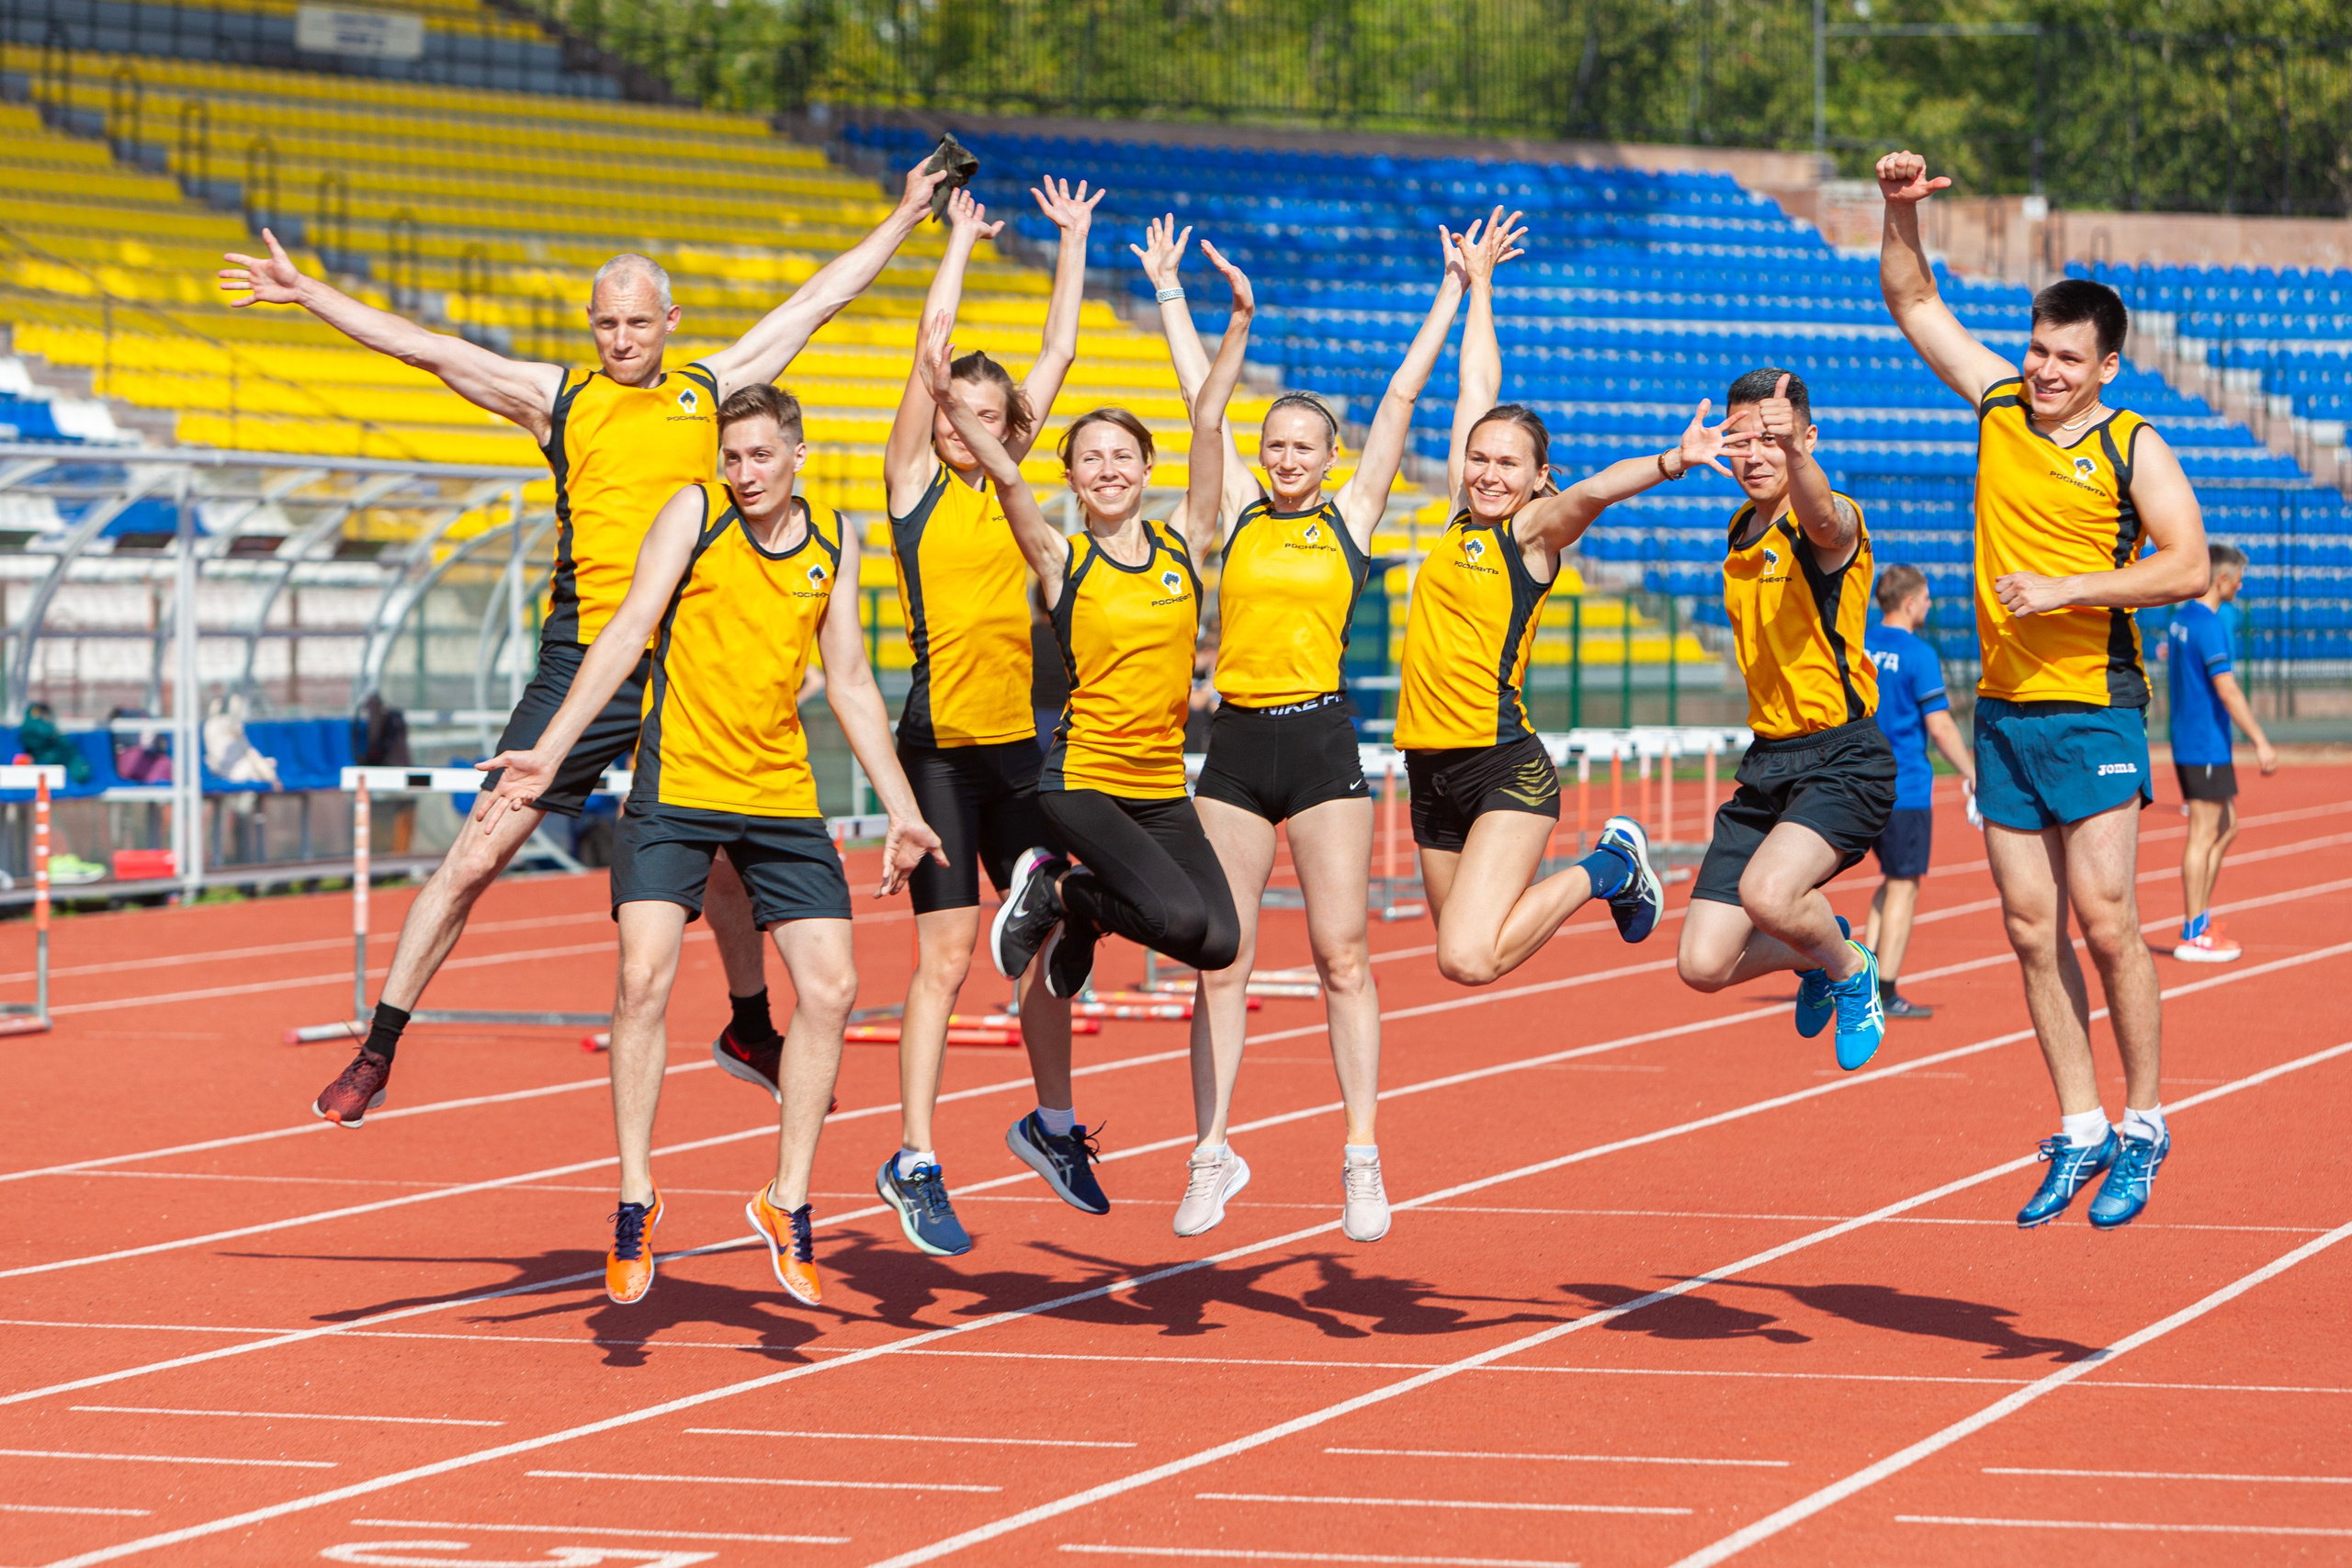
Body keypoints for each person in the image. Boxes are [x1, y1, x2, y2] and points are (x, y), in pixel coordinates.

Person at [223, 162, 950, 1127]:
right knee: (479, 850)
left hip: (689, 663)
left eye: (637, 323)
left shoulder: (713, 391)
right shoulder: (559, 399)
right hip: (584, 660)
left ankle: (747, 1025)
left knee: (727, 850)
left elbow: (819, 298)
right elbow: (429, 351)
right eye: (605, 323)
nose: (620, 339)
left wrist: (905, 216)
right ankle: (379, 1048)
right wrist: (312, 294)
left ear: (670, 321)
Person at [476, 382, 943, 1308]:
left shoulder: (835, 542)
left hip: (777, 798)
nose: (744, 474)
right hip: (677, 790)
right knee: (641, 976)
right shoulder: (694, 516)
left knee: (834, 987)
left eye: (761, 456)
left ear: (798, 457)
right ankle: (635, 1197)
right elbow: (620, 636)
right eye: (731, 457)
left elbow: (848, 682)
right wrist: (550, 749)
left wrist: (901, 808)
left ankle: (788, 1199)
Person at [1878, 150, 2210, 1231]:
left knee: (2107, 921)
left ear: (2107, 364)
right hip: (2007, 712)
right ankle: (2076, 1128)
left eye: (2067, 356)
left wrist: (2067, 586)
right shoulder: (1999, 405)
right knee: (2029, 928)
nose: (2046, 370)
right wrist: (1897, 212)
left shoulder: (2131, 444)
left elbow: (2187, 565)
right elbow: (1913, 301)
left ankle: (2144, 1123)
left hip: (2096, 704)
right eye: (2037, 349)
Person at [1129, 213, 1468, 1242]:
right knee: (1217, 956)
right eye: (1273, 443)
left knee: (1341, 954)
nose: (1283, 458)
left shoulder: (1349, 516)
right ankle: (1211, 1151)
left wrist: (1452, 289)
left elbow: (1404, 399)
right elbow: (1203, 407)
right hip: (1233, 747)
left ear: (1330, 458)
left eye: (1302, 446)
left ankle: (1361, 1153)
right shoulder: (1234, 505)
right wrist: (1177, 296)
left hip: (1319, 745)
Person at [939, 249, 1252, 1216]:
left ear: (1145, 470)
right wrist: (936, 384)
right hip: (1079, 777)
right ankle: (1069, 890)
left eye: (1123, 456)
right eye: (1089, 460)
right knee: (1169, 919)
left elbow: (1208, 419)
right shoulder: (1056, 553)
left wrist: (1234, 320)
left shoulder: (1181, 542)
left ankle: (1074, 905)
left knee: (1218, 941)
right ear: (1071, 479)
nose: (1108, 470)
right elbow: (998, 469)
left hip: (1162, 783)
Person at [873, 179, 1099, 1258]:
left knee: (1049, 928)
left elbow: (1054, 356)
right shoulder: (914, 484)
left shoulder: (1010, 489)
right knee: (944, 961)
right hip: (938, 757)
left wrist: (1075, 243)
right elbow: (931, 346)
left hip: (1021, 749)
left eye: (990, 418)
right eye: (956, 413)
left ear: (1013, 432)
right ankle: (914, 1158)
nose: (969, 429)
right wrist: (957, 243)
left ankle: (1052, 1126)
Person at [1395, 209, 1695, 1000]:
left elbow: (1593, 490)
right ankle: (1610, 870)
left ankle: (1609, 866)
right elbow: (1477, 385)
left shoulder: (1530, 532)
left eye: (1508, 463)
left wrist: (1671, 460)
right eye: (1479, 457)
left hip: (1501, 764)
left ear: (1536, 476)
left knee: (1464, 957)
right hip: (1426, 765)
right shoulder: (1465, 511)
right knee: (1467, 952)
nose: (1489, 472)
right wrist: (1479, 286)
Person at [1674, 371, 1894, 1072]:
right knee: (1702, 963)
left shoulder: (1828, 522)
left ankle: (1850, 966)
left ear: (1807, 439)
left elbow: (1828, 517)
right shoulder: (1740, 531)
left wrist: (1796, 455)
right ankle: (1815, 948)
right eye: (1742, 440)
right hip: (1768, 762)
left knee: (1768, 894)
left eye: (1773, 439)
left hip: (1843, 757)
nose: (1755, 455)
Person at [1862, 562, 1978, 1019]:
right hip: (1903, 784)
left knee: (1890, 881)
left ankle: (1857, 977)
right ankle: (1885, 990)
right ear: (1910, 603)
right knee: (1904, 885)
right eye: (1927, 598)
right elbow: (1941, 725)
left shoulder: (1859, 643)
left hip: (1857, 781)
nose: (1930, 605)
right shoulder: (1918, 654)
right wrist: (1971, 771)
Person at [2167, 541, 2278, 963]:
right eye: (2239, 578)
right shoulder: (2210, 624)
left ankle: (2199, 920)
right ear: (2222, 579)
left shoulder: (2183, 619)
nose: (2242, 585)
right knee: (2203, 834)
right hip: (2204, 743)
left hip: (2194, 739)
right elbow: (2227, 688)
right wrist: (2260, 741)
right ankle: (2193, 931)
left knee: (2227, 825)